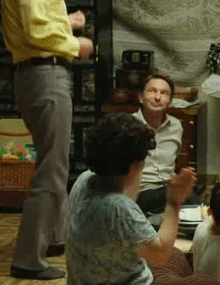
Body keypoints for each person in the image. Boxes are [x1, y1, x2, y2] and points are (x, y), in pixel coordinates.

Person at [2, 0, 94, 280]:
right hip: (44, 74)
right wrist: (76, 45)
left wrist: (66, 20)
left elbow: (37, 20)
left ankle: (55, 238)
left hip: (42, 74)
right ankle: (28, 258)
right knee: (52, 169)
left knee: (55, 162)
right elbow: (36, 30)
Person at [66, 112, 198, 285]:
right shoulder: (118, 207)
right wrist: (174, 201)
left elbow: (130, 197)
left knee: (178, 258)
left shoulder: (84, 179)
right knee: (206, 279)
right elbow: (161, 256)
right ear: (134, 164)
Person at [133, 72, 197, 218]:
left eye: (164, 93)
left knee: (199, 207)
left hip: (169, 188)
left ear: (169, 101)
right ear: (141, 97)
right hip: (141, 192)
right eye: (152, 91)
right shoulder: (128, 125)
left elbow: (176, 163)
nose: (157, 97)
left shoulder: (176, 126)